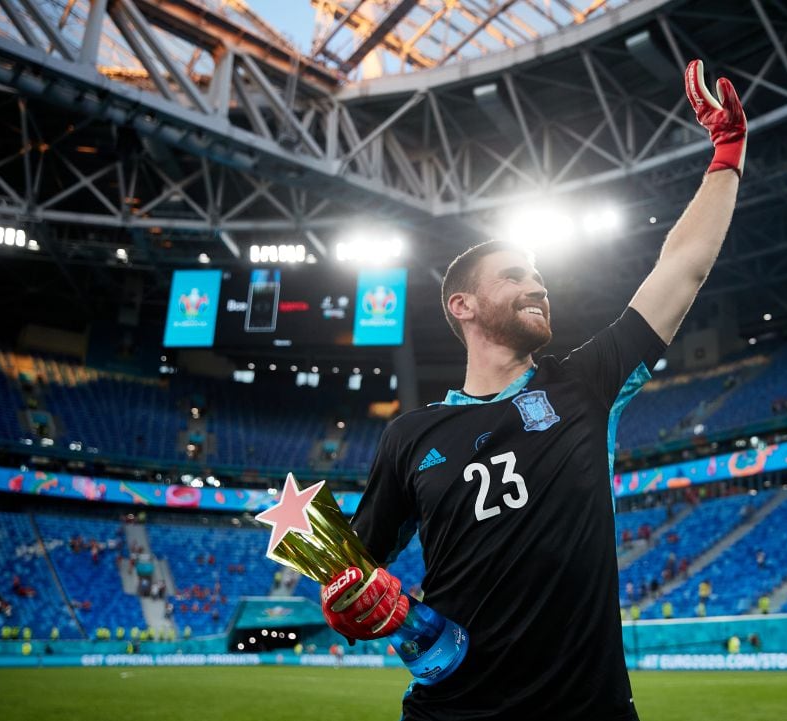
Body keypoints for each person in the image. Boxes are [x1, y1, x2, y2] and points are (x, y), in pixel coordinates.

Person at [316, 59, 747, 721]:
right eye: (515, 274)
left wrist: (726, 156)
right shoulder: (410, 436)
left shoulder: (585, 384)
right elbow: (354, 571)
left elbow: (681, 268)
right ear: (463, 305)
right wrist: (344, 599)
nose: (538, 284)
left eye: (540, 274)